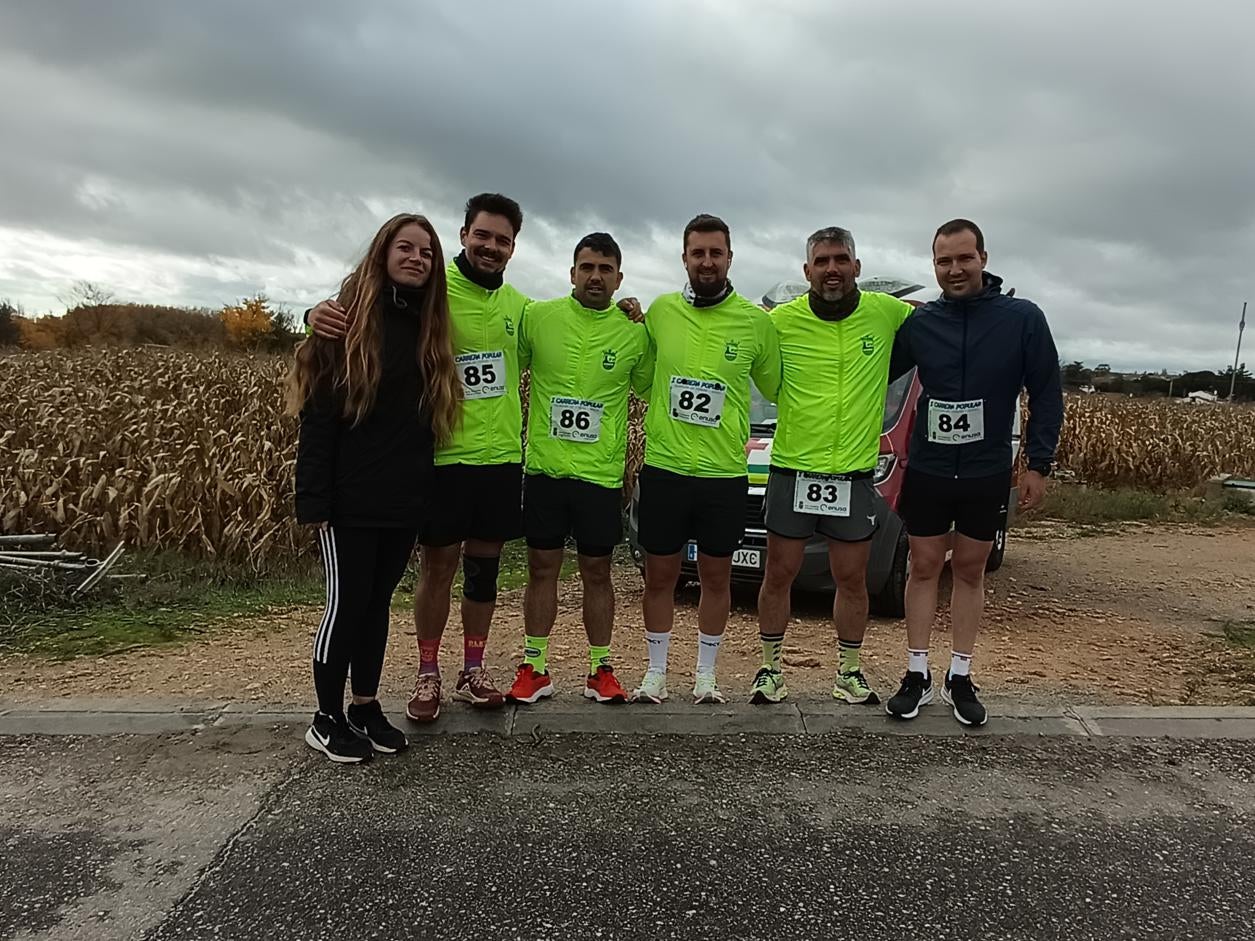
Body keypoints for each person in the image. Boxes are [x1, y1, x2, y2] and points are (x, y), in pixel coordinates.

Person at [308, 193, 529, 722]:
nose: (491, 247)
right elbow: (362, 309)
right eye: (482, 235)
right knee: (437, 569)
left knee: (484, 572)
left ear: (513, 247)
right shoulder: (434, 290)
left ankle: (472, 668)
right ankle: (427, 673)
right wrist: (313, 313)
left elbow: (577, 328)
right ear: (463, 235)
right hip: (441, 458)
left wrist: (623, 309)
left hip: (498, 460)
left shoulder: (523, 308)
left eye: (502, 240)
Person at [289, 212, 461, 762]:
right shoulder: (343, 324)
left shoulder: (429, 330)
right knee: (346, 605)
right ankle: (326, 717)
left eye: (426, 253)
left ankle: (364, 706)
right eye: (405, 248)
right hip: (347, 500)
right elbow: (317, 419)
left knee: (377, 605)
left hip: (403, 499)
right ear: (383, 253)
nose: (416, 258)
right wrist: (313, 500)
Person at [886, 218, 1063, 726]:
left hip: (987, 469)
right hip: (930, 467)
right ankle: (916, 673)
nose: (955, 269)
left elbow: (1046, 391)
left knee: (968, 569)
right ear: (934, 265)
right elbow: (870, 370)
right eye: (944, 261)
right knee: (922, 567)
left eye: (964, 258)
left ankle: (960, 675)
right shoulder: (920, 323)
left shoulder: (1022, 318)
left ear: (983, 258)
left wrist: (1038, 463)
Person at [752, 227, 914, 706]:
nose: (832, 269)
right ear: (807, 271)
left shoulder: (886, 313)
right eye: (821, 261)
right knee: (778, 575)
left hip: (851, 473)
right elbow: (737, 329)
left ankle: (849, 671)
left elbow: (943, 323)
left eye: (841, 259)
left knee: (852, 579)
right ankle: (769, 670)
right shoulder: (781, 321)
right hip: (793, 469)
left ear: (857, 267)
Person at [631, 214, 781, 705]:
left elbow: (775, 387)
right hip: (666, 469)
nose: (707, 261)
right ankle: (655, 674)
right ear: (685, 259)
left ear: (730, 258)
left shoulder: (755, 322)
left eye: (716, 253)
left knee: (717, 577)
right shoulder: (661, 312)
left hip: (723, 474)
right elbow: (642, 377)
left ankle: (706, 676)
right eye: (698, 253)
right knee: (661, 575)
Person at [506, 233, 652, 706]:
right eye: (587, 267)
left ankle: (600, 669)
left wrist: (642, 318)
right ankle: (535, 667)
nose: (595, 276)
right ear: (572, 273)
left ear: (619, 278)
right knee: (541, 568)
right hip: (546, 471)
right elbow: (509, 364)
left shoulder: (634, 332)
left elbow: (650, 387)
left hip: (600, 477)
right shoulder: (539, 318)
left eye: (605, 269)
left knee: (597, 572)